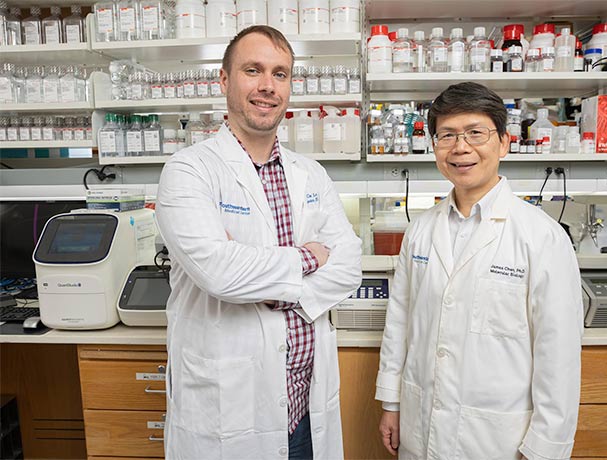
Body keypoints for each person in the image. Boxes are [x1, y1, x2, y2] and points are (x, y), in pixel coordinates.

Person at [156, 25, 362, 460]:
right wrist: (309, 256)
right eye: (253, 70)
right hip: (229, 409)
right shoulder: (189, 171)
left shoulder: (312, 174)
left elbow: (349, 266)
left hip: (305, 404)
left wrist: (266, 281)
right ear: (225, 80)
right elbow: (221, 272)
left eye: (281, 74)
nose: (268, 86)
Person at [376, 82, 583, 460]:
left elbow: (559, 356)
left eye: (476, 133)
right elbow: (400, 323)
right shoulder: (421, 230)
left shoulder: (541, 237)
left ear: (504, 142)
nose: (461, 147)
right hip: (420, 429)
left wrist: (543, 449)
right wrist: (391, 401)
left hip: (497, 441)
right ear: (434, 145)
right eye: (447, 135)